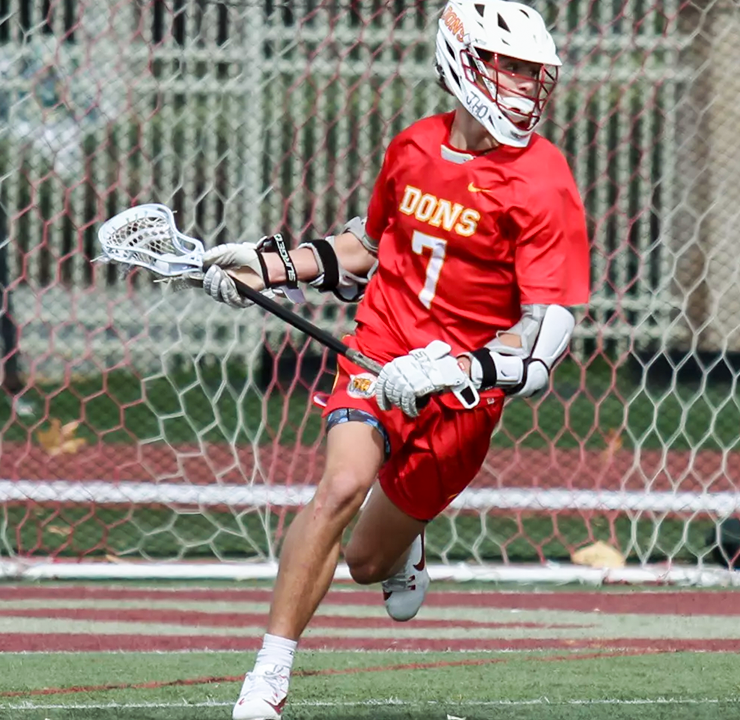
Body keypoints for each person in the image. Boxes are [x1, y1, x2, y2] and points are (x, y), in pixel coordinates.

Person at [192, 3, 590, 718]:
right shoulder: (413, 147)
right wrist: (261, 267)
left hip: (462, 391)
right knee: (340, 487)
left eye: (538, 74)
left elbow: (540, 351)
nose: (529, 87)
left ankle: (404, 544)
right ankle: (267, 680)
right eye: (516, 69)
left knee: (366, 564)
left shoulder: (545, 181)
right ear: (464, 63)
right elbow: (365, 251)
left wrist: (452, 368)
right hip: (378, 350)